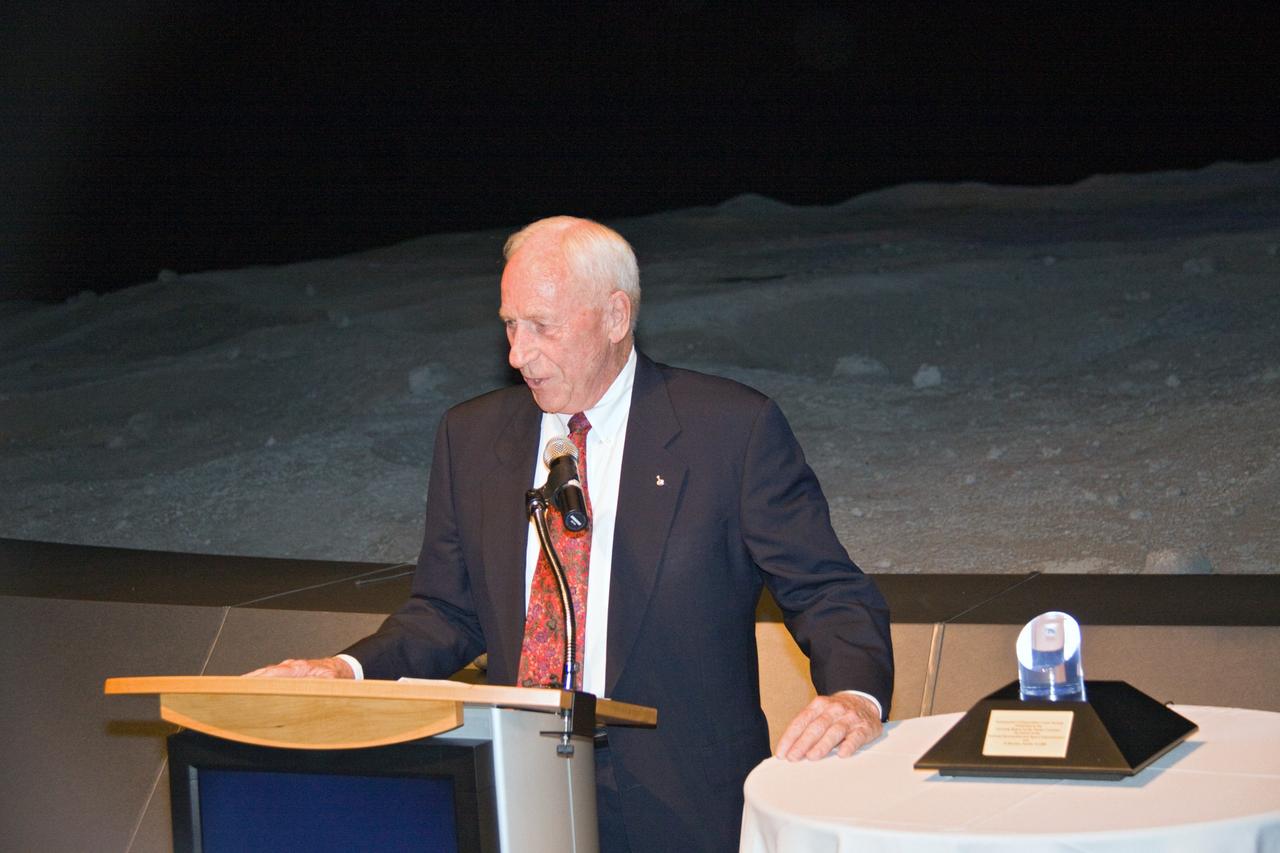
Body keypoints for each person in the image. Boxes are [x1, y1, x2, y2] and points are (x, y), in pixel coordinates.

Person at [249, 216, 893, 852]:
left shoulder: (728, 430)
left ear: (615, 317)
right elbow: (447, 611)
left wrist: (854, 696)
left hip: (686, 802)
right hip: (520, 785)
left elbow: (828, 591)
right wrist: (347, 669)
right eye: (509, 324)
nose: (517, 354)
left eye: (542, 327)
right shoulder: (471, 438)